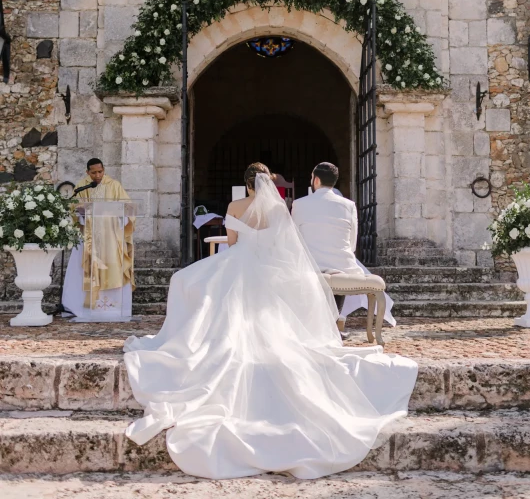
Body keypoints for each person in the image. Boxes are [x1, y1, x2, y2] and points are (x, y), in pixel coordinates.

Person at [122, 162, 417, 480]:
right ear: (268, 183)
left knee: (185, 280)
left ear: (245, 182)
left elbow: (232, 242)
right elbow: (283, 246)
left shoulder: (235, 205)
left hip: (239, 263)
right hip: (270, 268)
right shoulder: (280, 209)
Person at [292, 162, 395, 327]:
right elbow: (352, 243)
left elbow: (295, 239)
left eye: (311, 178)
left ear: (316, 180)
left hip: (310, 264)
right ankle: (334, 321)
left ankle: (319, 324)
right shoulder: (349, 205)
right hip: (342, 264)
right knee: (343, 266)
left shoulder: (299, 204)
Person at [62, 158, 135, 320]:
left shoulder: (114, 185)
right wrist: (79, 210)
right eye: (93, 172)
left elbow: (128, 207)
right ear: (87, 172)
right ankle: (84, 309)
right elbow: (73, 207)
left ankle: (113, 310)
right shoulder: (82, 186)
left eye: (100, 171)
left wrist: (122, 212)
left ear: (104, 170)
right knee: (83, 270)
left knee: (113, 268)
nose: (97, 175)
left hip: (111, 237)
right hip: (89, 236)